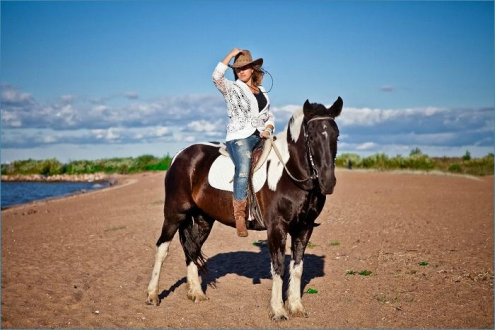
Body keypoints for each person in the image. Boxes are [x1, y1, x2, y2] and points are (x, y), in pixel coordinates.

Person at [212, 48, 275, 237]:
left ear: (253, 68)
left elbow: (269, 115)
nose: (242, 71)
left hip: (261, 135)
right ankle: (239, 215)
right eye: (238, 68)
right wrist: (230, 55)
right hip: (239, 137)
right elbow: (216, 77)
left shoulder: (262, 90)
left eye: (245, 67)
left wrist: (268, 128)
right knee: (244, 166)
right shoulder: (232, 88)